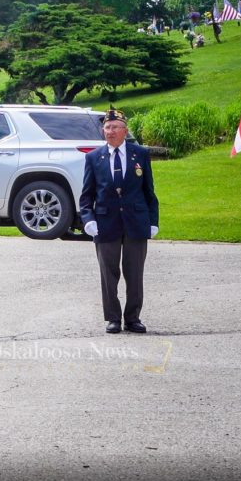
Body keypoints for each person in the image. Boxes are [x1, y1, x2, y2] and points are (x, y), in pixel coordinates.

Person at [79, 108, 159, 335]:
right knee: (108, 273)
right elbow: (86, 195)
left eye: (115, 127)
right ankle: (113, 318)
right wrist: (88, 219)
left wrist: (153, 220)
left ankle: (133, 318)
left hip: (136, 222)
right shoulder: (94, 157)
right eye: (107, 127)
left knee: (134, 273)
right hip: (105, 223)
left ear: (125, 130)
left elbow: (149, 192)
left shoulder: (140, 154)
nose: (110, 131)